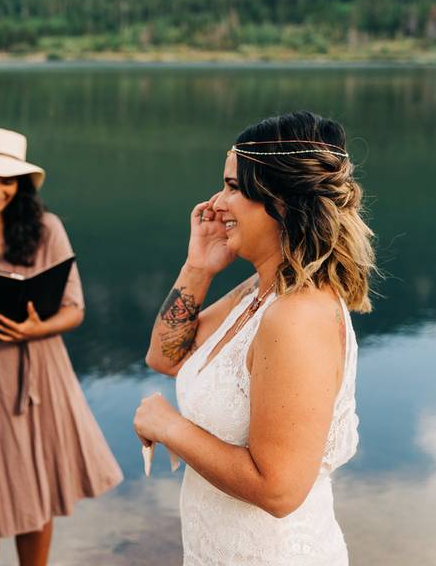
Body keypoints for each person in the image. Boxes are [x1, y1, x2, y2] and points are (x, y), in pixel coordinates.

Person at [134, 111, 374, 565]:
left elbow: (279, 489)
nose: (216, 202)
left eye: (233, 187)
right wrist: (198, 267)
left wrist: (170, 427)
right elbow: (165, 356)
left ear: (282, 201)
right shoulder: (262, 290)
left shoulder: (298, 316)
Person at [0, 127, 122, 566]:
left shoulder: (48, 229)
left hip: (40, 370)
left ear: (21, 185)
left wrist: (35, 329)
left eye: (7, 181)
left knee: (35, 490)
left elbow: (74, 309)